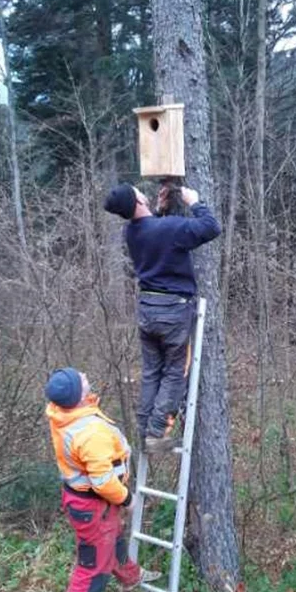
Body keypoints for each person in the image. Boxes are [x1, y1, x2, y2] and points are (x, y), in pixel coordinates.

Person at [103, 182, 220, 452]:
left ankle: (145, 429)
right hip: (173, 311)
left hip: (147, 309)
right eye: (137, 191)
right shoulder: (168, 228)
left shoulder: (132, 231)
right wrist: (195, 202)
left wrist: (159, 210)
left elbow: (154, 230)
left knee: (152, 372)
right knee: (174, 373)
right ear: (137, 201)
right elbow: (211, 227)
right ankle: (156, 433)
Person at [46, 367, 158, 592]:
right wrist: (127, 499)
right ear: (77, 394)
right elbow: (103, 481)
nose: (85, 374)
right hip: (94, 504)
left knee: (113, 540)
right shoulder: (89, 432)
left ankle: (131, 576)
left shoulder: (65, 412)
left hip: (89, 504)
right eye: (80, 378)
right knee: (93, 569)